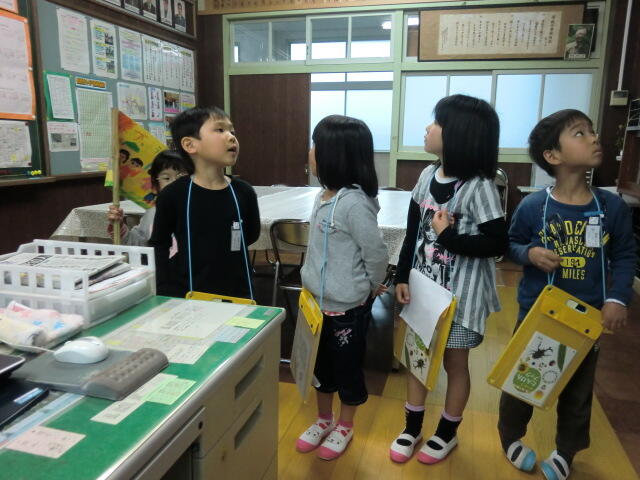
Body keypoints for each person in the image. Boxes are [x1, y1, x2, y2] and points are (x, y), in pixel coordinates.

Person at [498, 109, 635, 480]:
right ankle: (510, 435)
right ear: (552, 155)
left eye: (592, 131)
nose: (594, 138)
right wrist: (530, 253)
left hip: (587, 319)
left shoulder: (611, 207)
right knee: (523, 380)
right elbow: (510, 244)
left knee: (578, 391)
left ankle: (566, 451)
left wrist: (617, 298)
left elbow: (625, 255)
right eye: (580, 133)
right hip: (539, 314)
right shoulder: (533, 206)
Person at [389, 94, 508, 465]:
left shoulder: (480, 186)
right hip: (424, 291)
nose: (428, 128)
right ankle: (412, 427)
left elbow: (497, 243)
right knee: (417, 359)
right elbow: (412, 231)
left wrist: (449, 237)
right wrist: (402, 275)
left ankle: (447, 432)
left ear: (459, 134)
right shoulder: (427, 176)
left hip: (461, 299)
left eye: (436, 122)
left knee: (455, 365)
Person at [296, 115, 389, 460]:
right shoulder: (323, 196)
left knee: (347, 369)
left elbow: (376, 253)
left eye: (315, 145)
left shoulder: (355, 203)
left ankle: (345, 425)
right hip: (315, 304)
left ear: (334, 154)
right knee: (320, 368)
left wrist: (371, 286)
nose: (310, 151)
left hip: (346, 309)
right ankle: (324, 419)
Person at [149, 107, 260, 300]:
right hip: (187, 293)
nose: (231, 137)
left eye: (232, 131)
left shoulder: (243, 191)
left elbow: (250, 234)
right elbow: (159, 245)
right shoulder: (174, 195)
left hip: (238, 292)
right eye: (220, 130)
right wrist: (163, 288)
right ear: (190, 145)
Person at [107, 150, 191, 246]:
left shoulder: (199, 210)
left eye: (181, 177)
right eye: (166, 178)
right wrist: (119, 226)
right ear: (155, 187)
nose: (174, 183)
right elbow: (138, 243)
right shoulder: (153, 213)